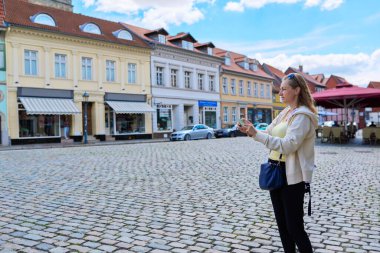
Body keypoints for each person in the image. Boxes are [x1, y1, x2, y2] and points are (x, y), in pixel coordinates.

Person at [238, 73, 318, 253]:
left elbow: (289, 145)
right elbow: (269, 131)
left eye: (284, 89)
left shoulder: (302, 116)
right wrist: (252, 129)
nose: (280, 92)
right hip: (275, 170)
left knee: (295, 228)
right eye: (280, 89)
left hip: (292, 176)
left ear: (296, 90)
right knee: (282, 226)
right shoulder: (285, 112)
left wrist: (256, 135)